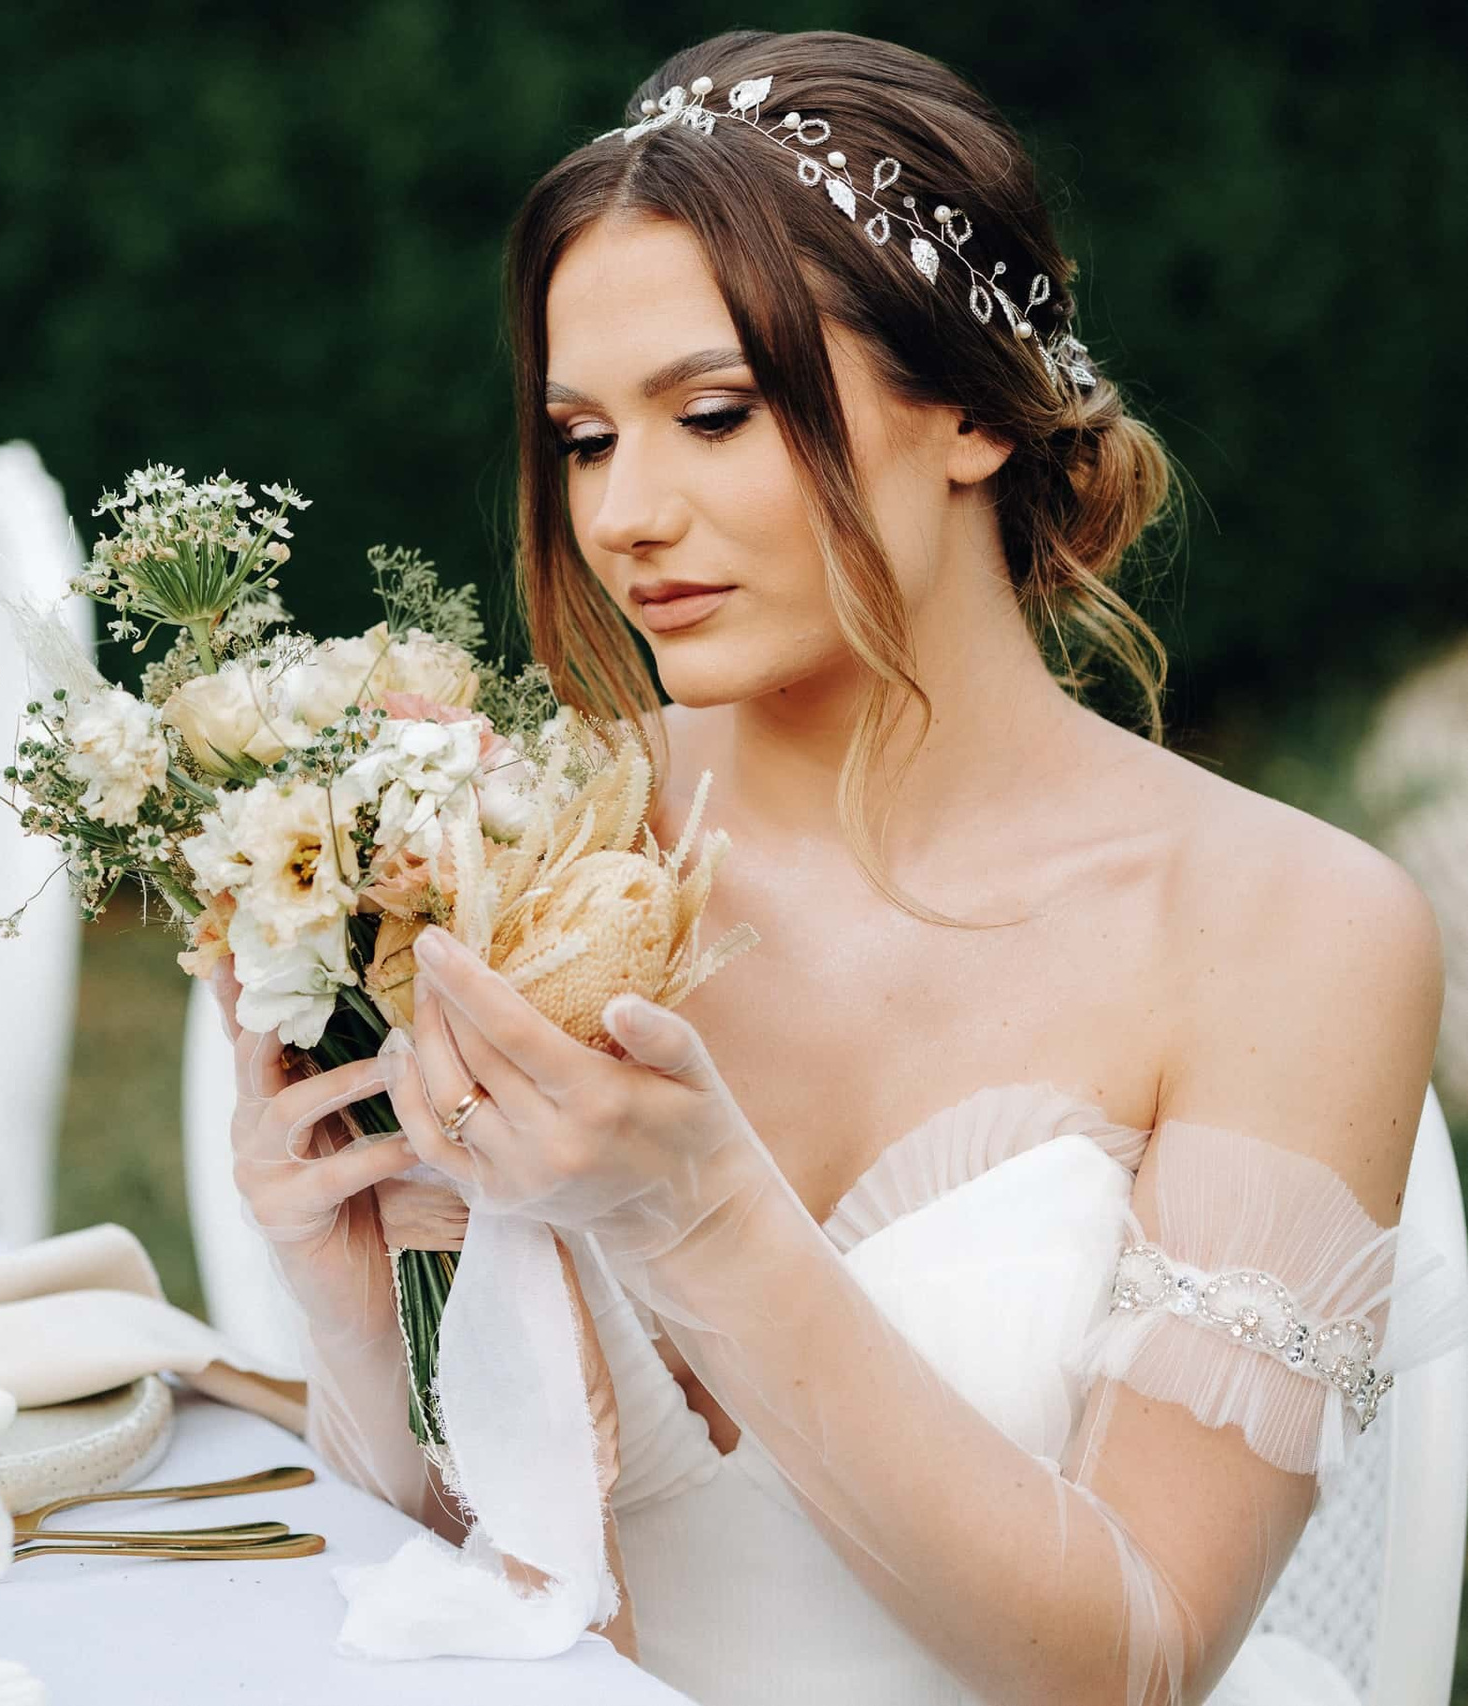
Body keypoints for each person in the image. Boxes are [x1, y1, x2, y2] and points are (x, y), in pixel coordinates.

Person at [218, 27, 1462, 1706]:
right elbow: (479, 1564)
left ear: (972, 413)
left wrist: (702, 1219)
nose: (625, 513)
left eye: (713, 414)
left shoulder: (1286, 928)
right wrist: (365, 1320)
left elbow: (1139, 1665)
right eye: (584, 438)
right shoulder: (535, 834)